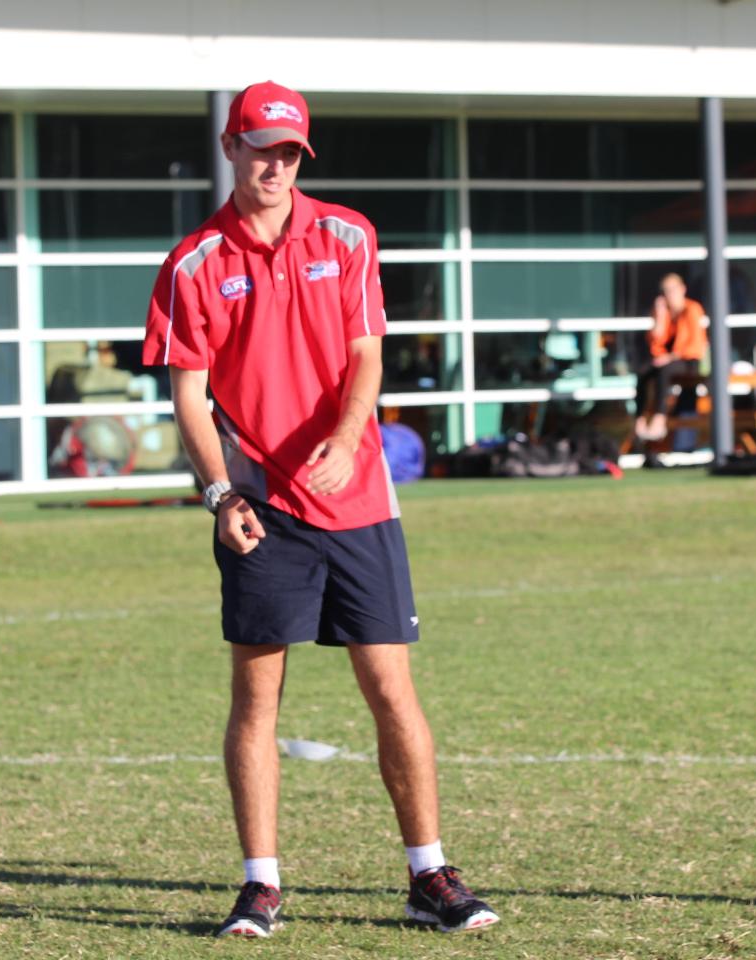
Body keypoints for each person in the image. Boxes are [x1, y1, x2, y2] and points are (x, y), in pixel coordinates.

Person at [142, 80, 498, 938]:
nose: (276, 164)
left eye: (291, 151)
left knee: (391, 691)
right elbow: (189, 396)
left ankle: (429, 876)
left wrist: (347, 436)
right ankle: (260, 884)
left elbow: (366, 355)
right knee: (256, 701)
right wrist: (219, 492)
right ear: (231, 147)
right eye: (262, 147)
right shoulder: (195, 263)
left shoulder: (348, 234)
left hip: (359, 497)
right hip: (261, 509)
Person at [633, 273, 708, 441]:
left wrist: (671, 357)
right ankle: (640, 419)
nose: (669, 294)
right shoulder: (663, 312)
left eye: (672, 290)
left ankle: (659, 419)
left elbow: (695, 345)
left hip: (688, 360)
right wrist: (659, 317)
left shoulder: (692, 309)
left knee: (664, 371)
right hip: (666, 360)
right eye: (666, 291)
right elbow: (655, 342)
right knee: (643, 371)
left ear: (682, 289)